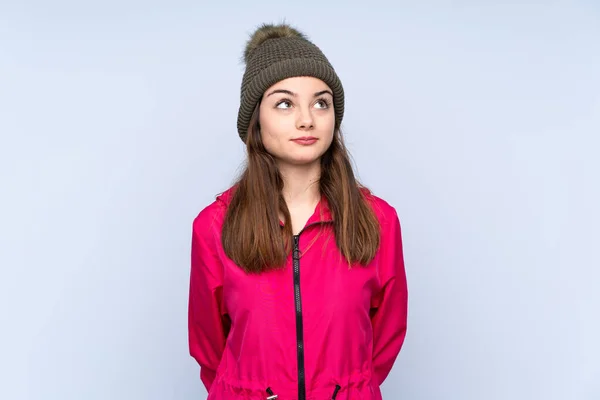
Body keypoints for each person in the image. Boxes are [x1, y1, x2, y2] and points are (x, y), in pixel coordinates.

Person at [188, 22, 408, 400]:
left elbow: (386, 337)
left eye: (321, 102)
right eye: (285, 103)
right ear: (256, 120)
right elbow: (209, 348)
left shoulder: (378, 220)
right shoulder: (214, 226)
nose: (306, 119)